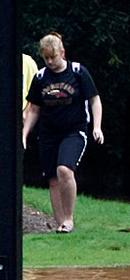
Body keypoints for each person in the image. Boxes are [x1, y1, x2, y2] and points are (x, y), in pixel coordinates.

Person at [23, 32, 104, 234]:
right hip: (49, 133)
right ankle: (61, 225)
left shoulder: (77, 72)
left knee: (64, 170)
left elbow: (95, 99)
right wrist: (24, 133)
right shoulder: (41, 77)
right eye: (46, 58)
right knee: (52, 179)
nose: (50, 62)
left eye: (53, 57)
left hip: (74, 130)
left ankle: (69, 219)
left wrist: (97, 126)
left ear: (62, 53)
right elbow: (34, 108)